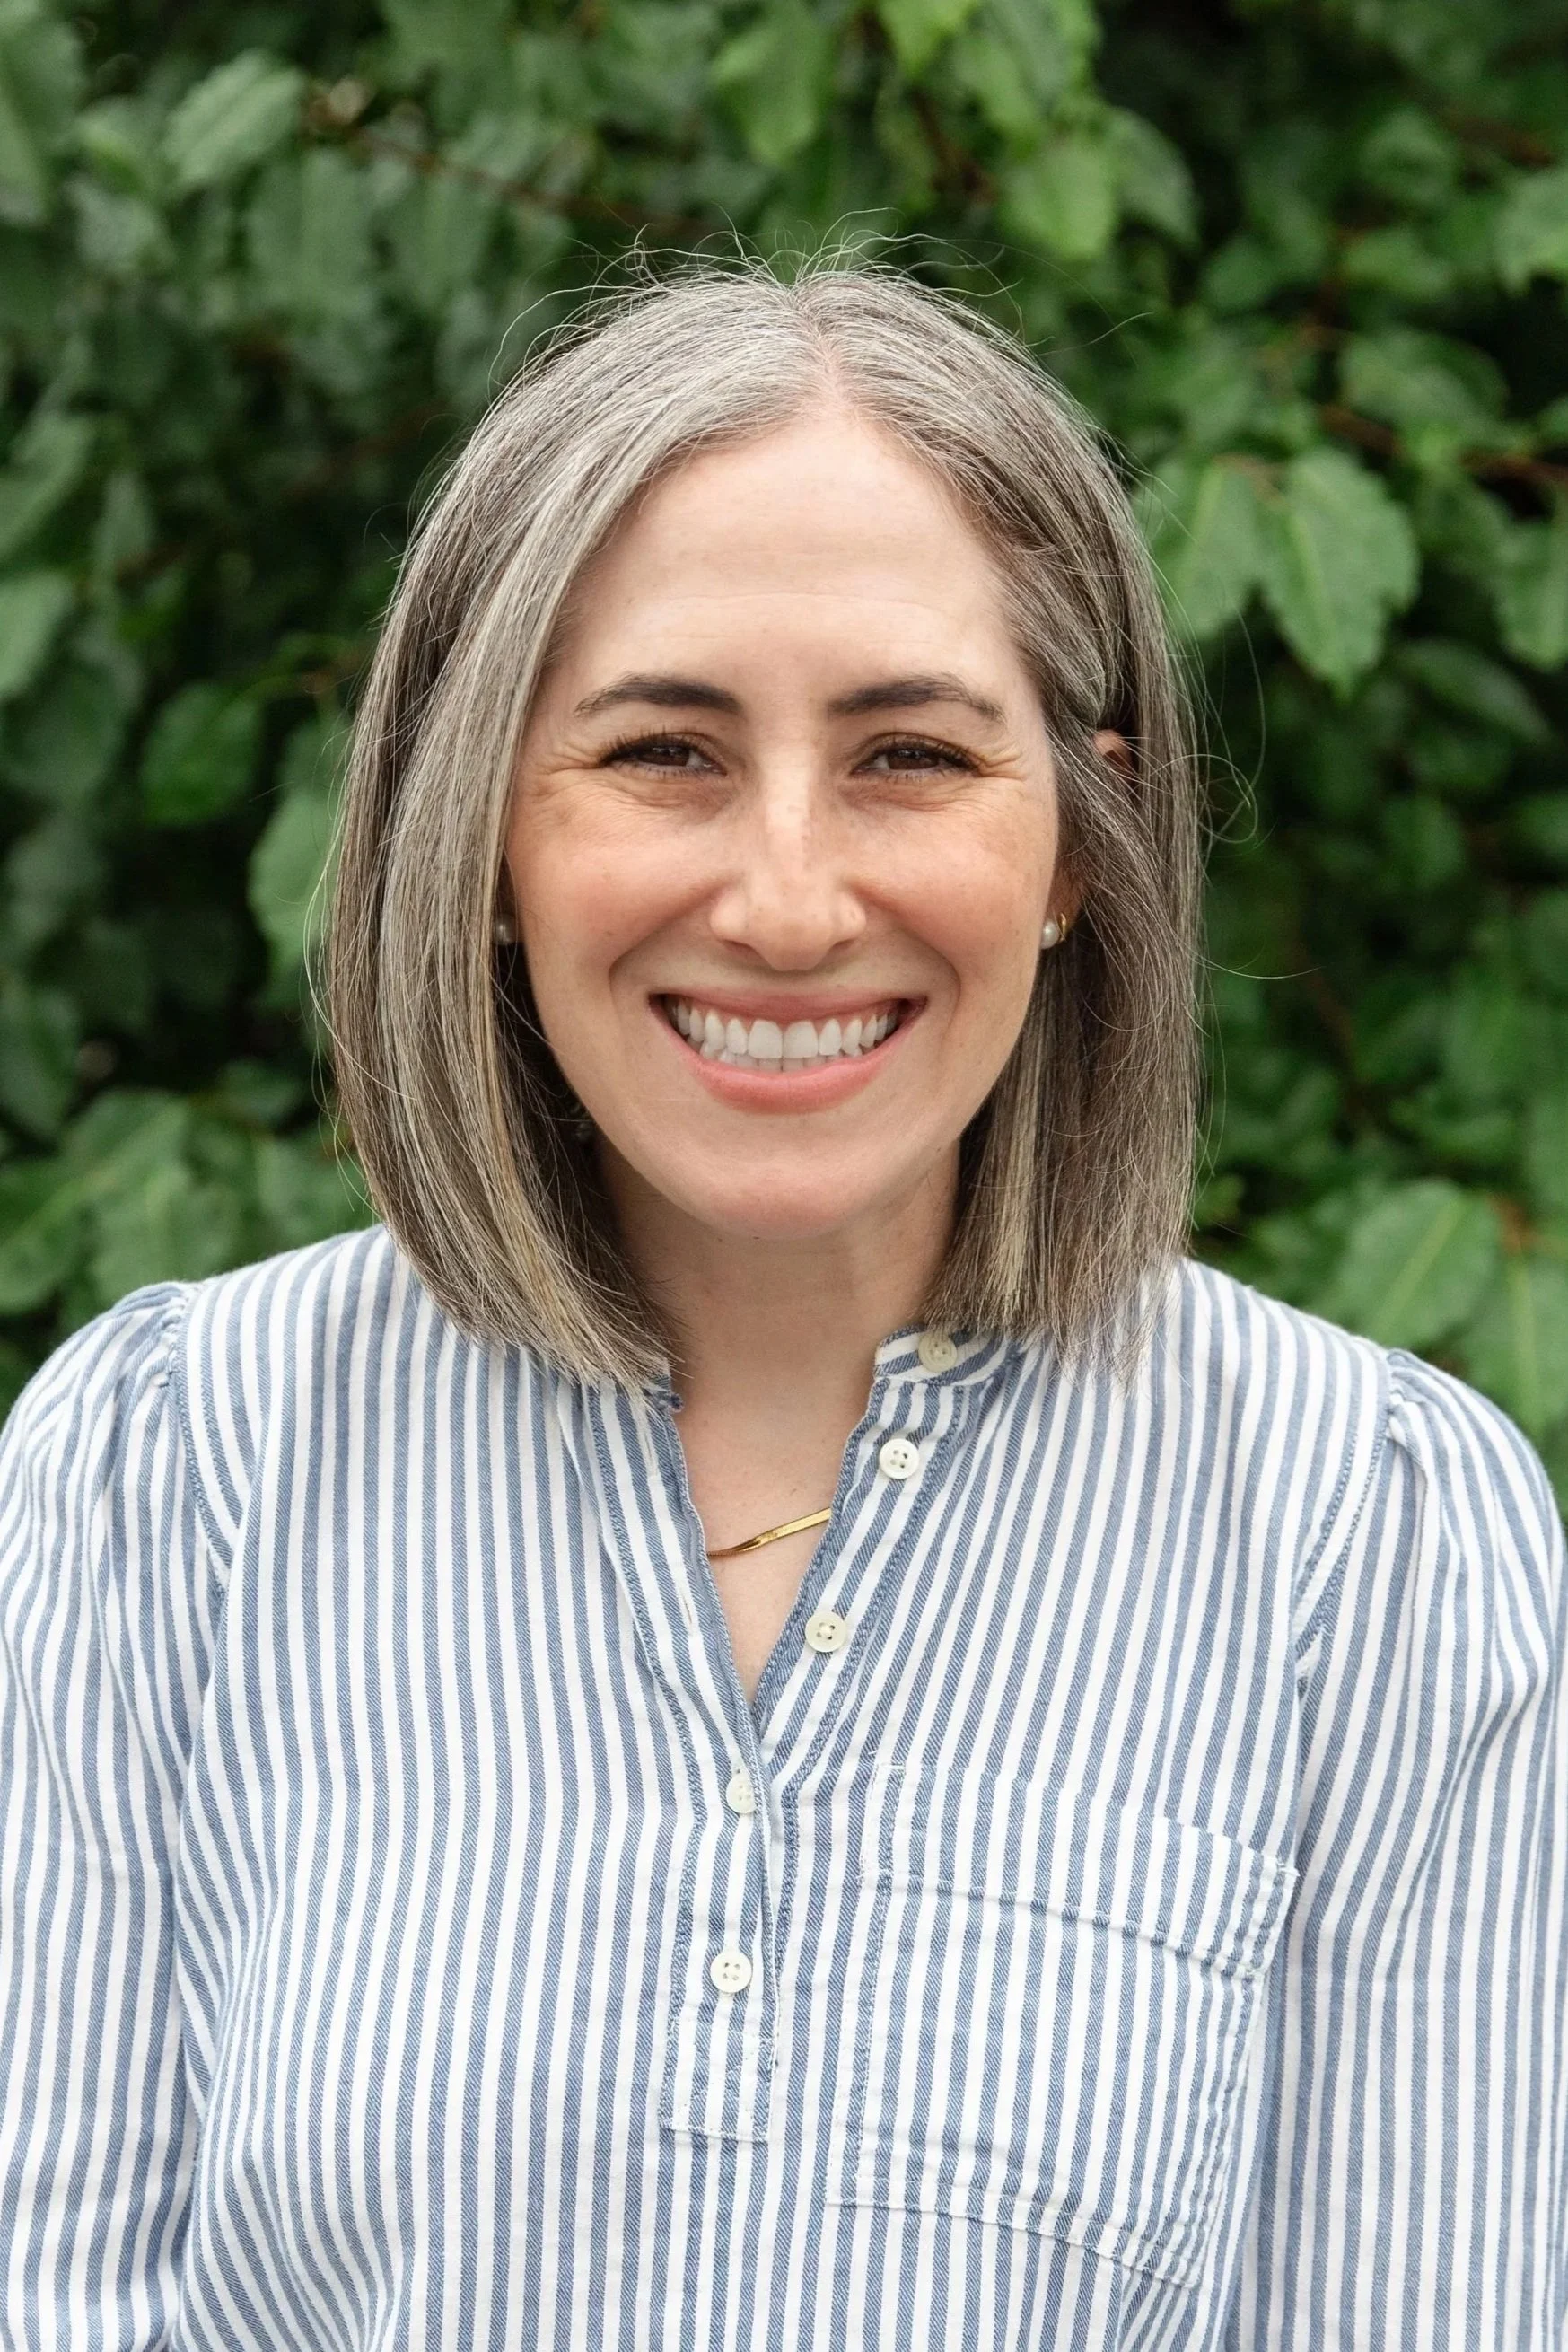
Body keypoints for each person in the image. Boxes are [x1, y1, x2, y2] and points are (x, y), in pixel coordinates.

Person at [0, 262, 1562, 2352]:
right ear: (480, 830)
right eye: (663, 751)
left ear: (1078, 840)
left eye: (913, 750)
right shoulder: (153, 1481)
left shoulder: (1376, 1536)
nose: (793, 896)